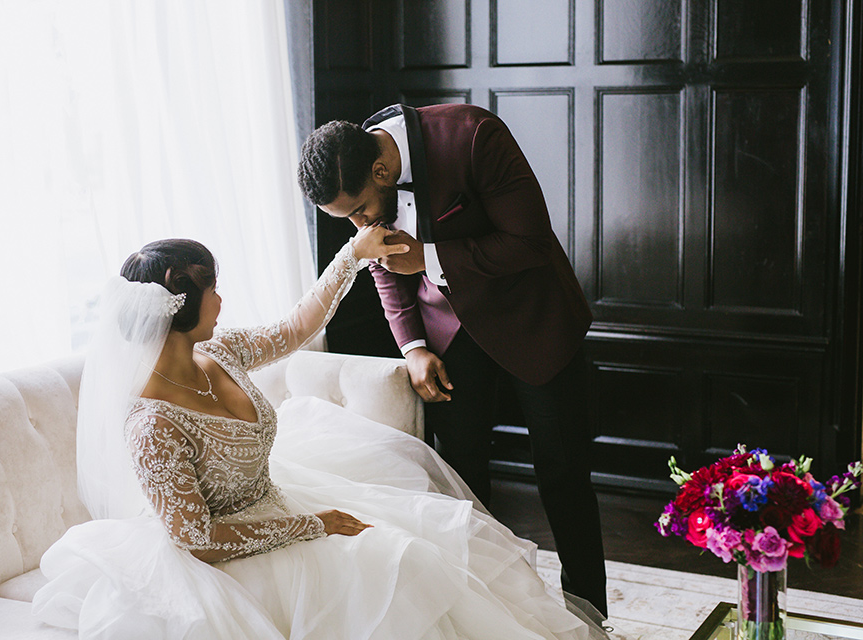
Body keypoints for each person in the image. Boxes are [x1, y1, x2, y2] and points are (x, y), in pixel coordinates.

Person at [31, 231, 606, 639]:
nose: (223, 299)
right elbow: (197, 539)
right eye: (214, 288)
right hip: (228, 563)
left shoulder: (220, 352)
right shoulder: (150, 423)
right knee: (382, 577)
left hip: (279, 502)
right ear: (181, 302)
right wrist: (316, 524)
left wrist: (352, 256)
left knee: (417, 558)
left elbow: (296, 326)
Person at [297, 103, 608, 619]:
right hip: (449, 338)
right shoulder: (364, 175)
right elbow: (381, 263)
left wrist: (431, 259)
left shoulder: (473, 136)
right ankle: (491, 612)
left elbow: (529, 239)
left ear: (382, 171)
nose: (358, 226)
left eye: (358, 211)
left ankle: (592, 614)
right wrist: (413, 347)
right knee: (460, 480)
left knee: (563, 473)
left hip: (533, 320)